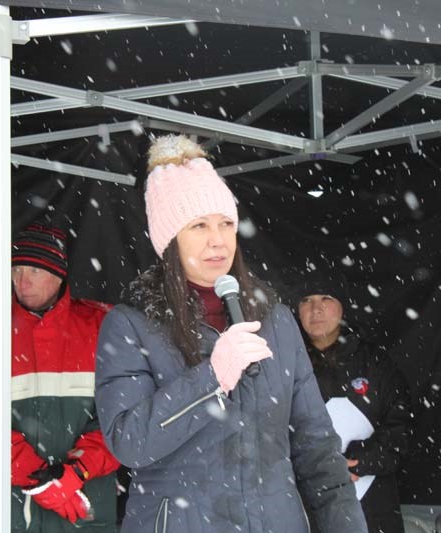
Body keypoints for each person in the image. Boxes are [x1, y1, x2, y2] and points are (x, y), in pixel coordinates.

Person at [94, 135, 368, 533]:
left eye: (226, 224)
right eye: (199, 226)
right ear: (170, 240)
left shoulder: (273, 319)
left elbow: (316, 447)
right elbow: (130, 441)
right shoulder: (131, 324)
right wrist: (212, 379)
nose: (217, 240)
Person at [0, 223, 121, 533]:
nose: (22, 282)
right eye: (16, 270)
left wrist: (75, 473)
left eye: (34, 271)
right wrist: (39, 481)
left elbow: (121, 420)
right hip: (11, 511)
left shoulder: (103, 327)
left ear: (59, 275)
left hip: (83, 502)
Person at [296, 267, 410, 533]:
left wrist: (360, 462)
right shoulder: (285, 365)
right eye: (306, 301)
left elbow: (401, 429)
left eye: (326, 298)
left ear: (343, 306)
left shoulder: (377, 364)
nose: (316, 309)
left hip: (373, 507)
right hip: (306, 506)